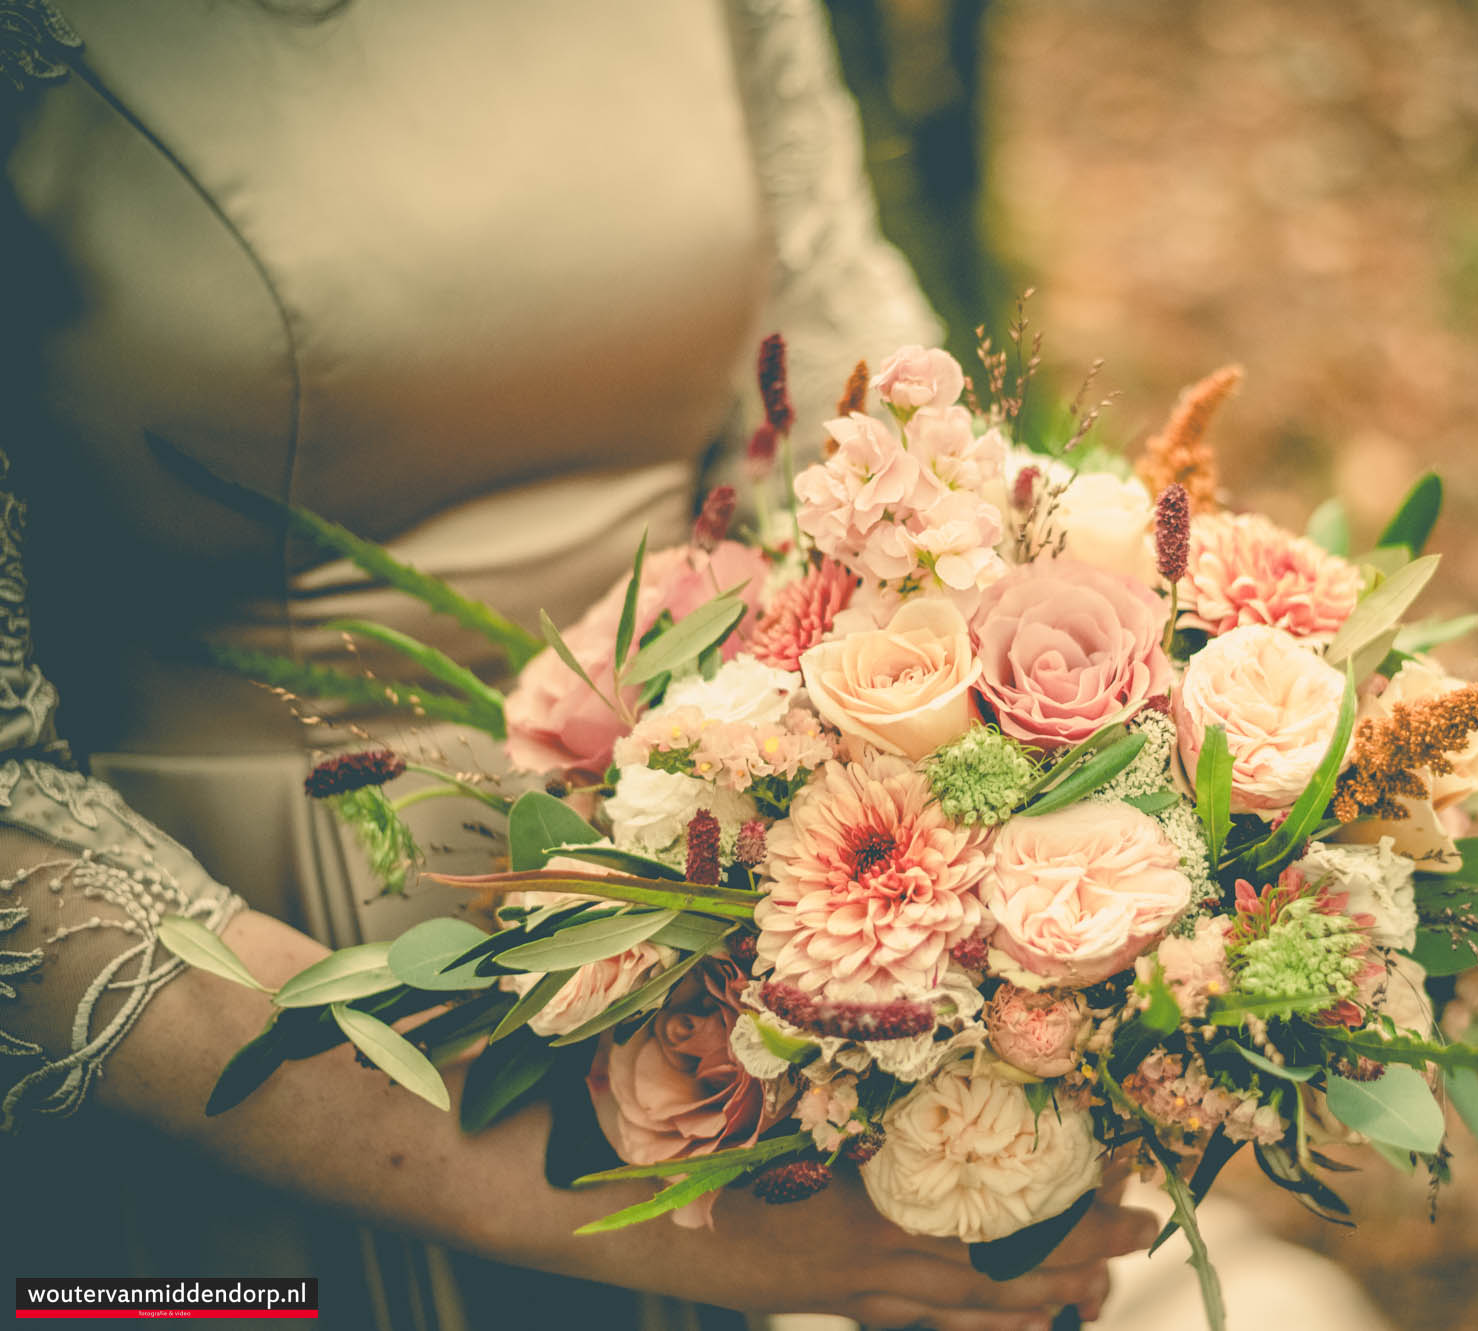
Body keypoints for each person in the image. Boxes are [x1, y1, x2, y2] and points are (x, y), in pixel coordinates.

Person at [0, 2, 1153, 1326]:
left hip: (722, 934)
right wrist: (615, 1210)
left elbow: (857, 369)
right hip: (246, 1003)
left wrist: (1037, 831)